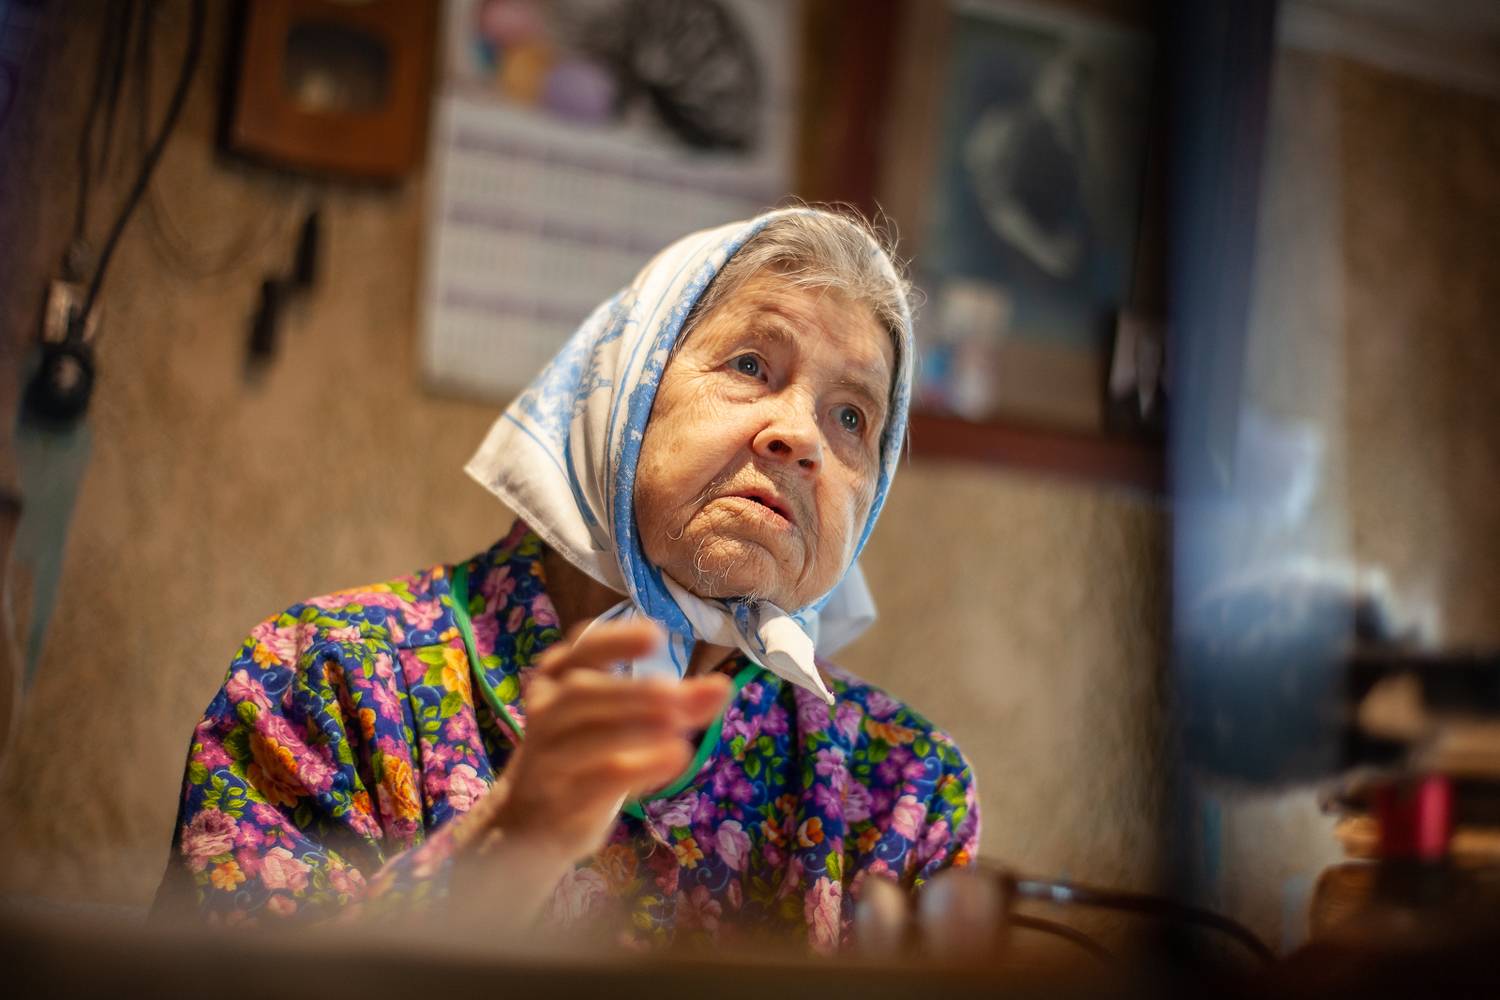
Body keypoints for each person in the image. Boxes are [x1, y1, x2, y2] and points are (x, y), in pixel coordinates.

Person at [154, 207, 980, 954]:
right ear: (623, 392)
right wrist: (511, 842)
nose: (800, 435)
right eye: (751, 363)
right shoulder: (325, 676)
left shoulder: (902, 789)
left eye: (851, 417)